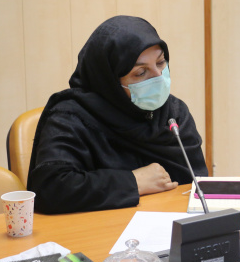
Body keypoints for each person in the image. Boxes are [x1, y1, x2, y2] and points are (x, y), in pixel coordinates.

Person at [27, 16, 208, 214]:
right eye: (141, 72)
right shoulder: (70, 118)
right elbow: (51, 189)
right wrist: (133, 182)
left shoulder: (173, 114)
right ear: (109, 80)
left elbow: (196, 183)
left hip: (167, 223)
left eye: (160, 62)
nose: (158, 77)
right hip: (98, 227)